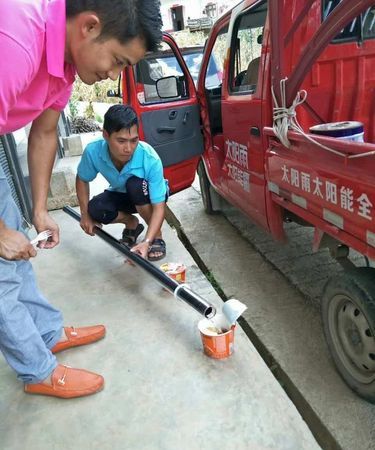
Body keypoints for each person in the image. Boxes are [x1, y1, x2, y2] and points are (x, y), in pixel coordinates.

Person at [0, 0, 162, 399]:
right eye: (119, 61)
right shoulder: (16, 41)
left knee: (15, 254)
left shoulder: (67, 64)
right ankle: (37, 370)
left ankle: (46, 333)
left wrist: (39, 211)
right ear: (90, 26)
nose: (114, 74)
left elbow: (44, 132)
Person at [76, 104, 168, 261]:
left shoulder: (150, 158)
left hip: (146, 196)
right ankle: (131, 223)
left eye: (134, 140)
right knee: (95, 209)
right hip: (120, 193)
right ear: (105, 135)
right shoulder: (93, 151)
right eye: (121, 141)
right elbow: (82, 179)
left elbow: (159, 207)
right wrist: (84, 215)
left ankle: (156, 237)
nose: (128, 148)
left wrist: (146, 242)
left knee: (135, 186)